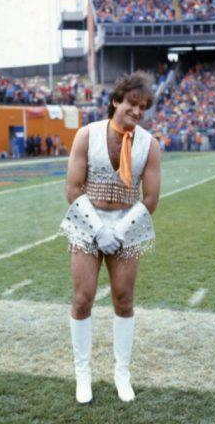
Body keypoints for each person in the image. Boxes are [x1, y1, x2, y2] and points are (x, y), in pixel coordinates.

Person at [60, 71, 161, 404]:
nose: (137, 111)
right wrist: (98, 229)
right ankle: (83, 375)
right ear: (117, 100)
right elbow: (73, 189)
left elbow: (150, 200)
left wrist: (118, 230)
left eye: (143, 107)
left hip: (126, 226)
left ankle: (122, 373)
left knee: (124, 299)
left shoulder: (149, 144)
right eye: (132, 103)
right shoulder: (87, 135)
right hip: (88, 224)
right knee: (82, 299)